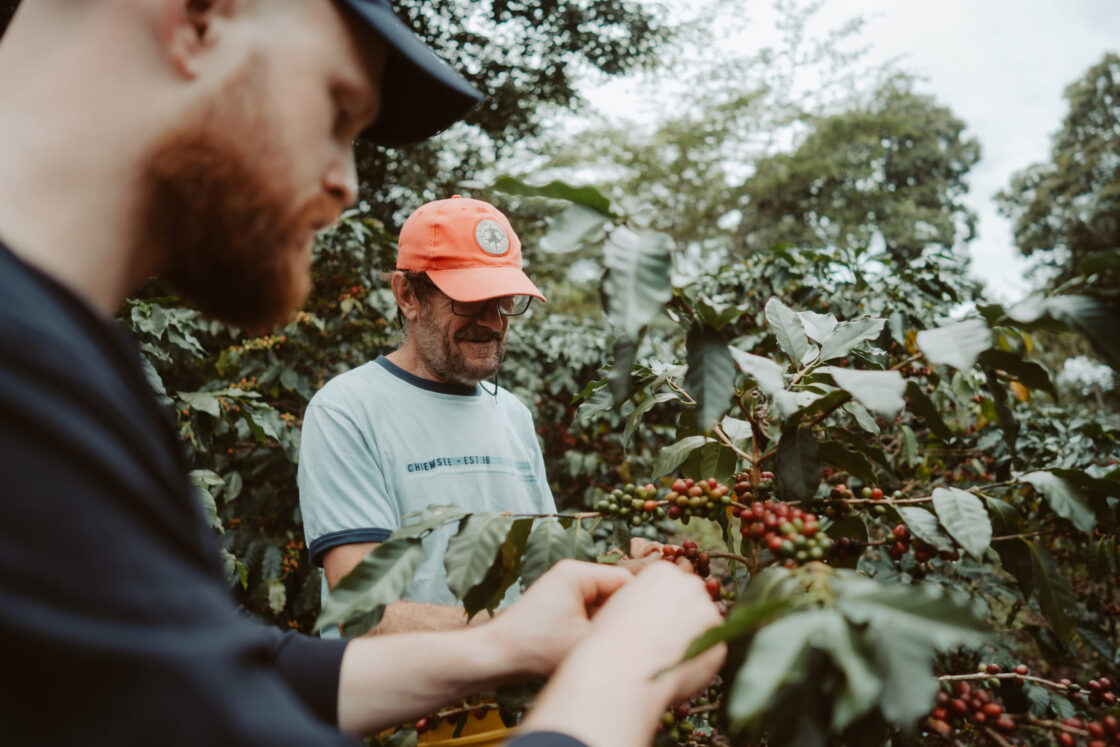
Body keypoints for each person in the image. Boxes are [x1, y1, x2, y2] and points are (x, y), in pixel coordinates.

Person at [0, 1, 725, 746]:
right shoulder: (25, 378)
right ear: (199, 19)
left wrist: (512, 641)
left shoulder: (74, 364)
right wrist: (628, 667)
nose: (346, 182)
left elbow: (210, 667)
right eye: (337, 108)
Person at [299, 195, 556, 634]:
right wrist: (517, 635)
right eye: (470, 300)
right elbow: (364, 614)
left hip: (510, 695)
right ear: (408, 296)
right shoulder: (346, 411)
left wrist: (622, 570)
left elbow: (546, 574)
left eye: (505, 301)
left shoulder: (512, 414)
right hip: (400, 698)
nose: (493, 322)